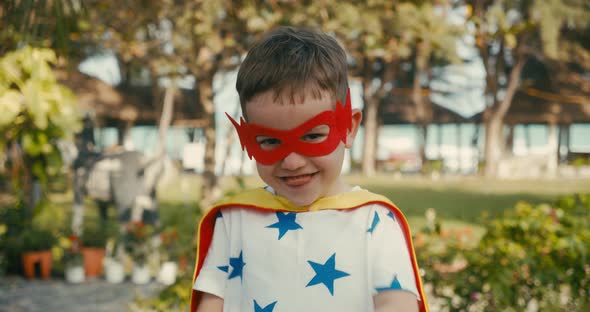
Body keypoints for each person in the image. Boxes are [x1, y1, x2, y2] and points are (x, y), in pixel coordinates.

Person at [191, 26, 428, 312]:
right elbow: (213, 302)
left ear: (349, 128)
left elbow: (397, 303)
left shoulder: (374, 221)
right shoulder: (234, 220)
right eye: (269, 141)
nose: (292, 162)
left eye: (312, 136)